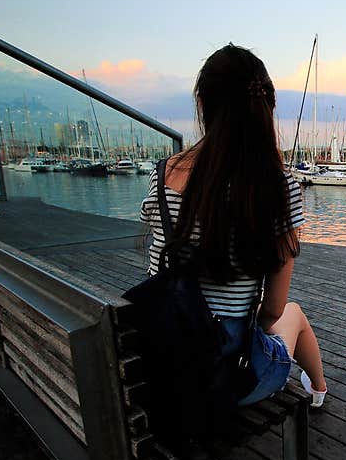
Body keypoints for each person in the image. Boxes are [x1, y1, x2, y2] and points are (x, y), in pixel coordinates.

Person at [139, 45, 328, 408]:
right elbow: (271, 310)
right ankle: (318, 390)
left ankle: (318, 388)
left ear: (203, 105)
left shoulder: (161, 174)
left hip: (159, 361)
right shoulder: (278, 187)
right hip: (226, 378)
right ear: (265, 107)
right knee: (292, 313)